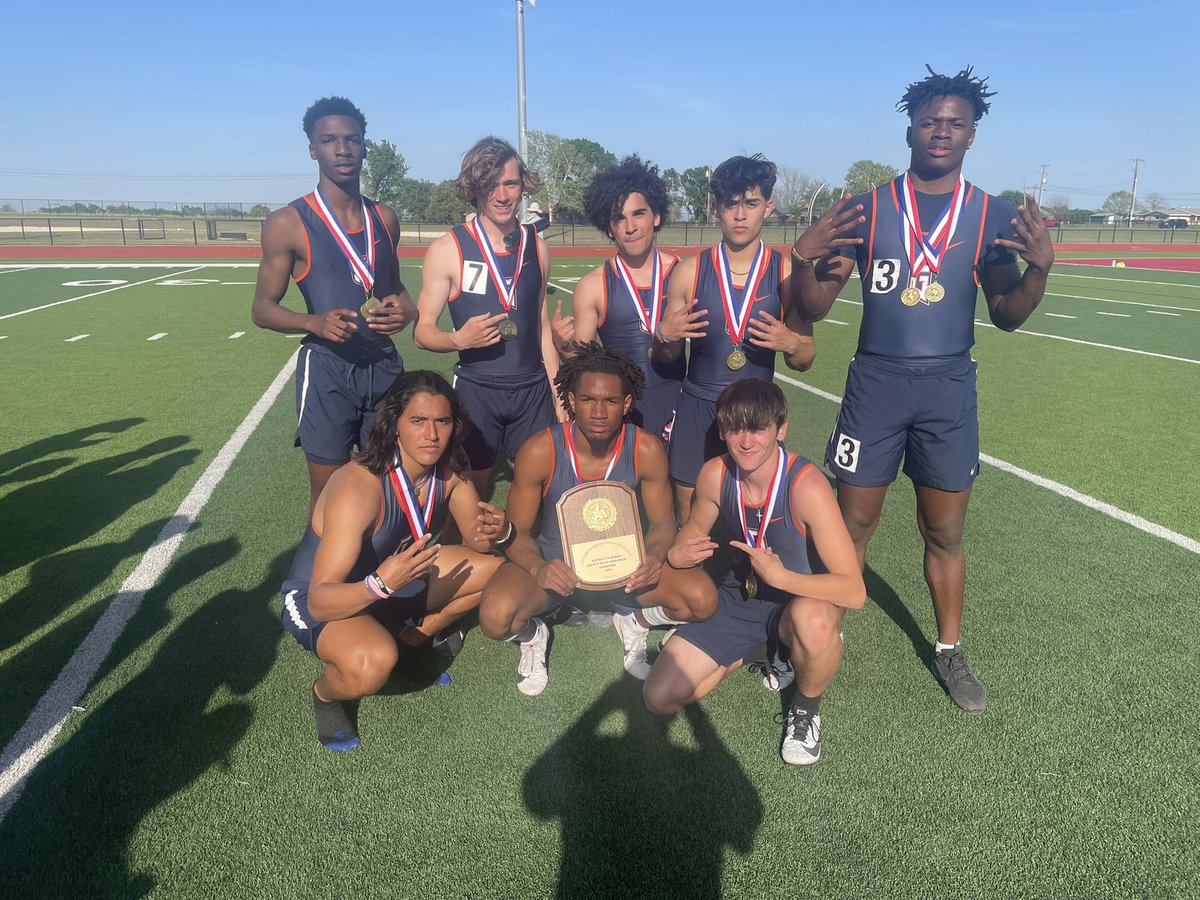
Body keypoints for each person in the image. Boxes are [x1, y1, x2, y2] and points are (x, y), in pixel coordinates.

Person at [789, 66, 1055, 713]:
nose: (942, 131)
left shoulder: (989, 214)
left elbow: (1006, 313)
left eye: (955, 123)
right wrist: (802, 257)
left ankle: (948, 650)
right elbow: (817, 306)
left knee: (944, 531)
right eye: (931, 120)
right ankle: (817, 635)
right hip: (876, 381)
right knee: (850, 525)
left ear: (972, 136)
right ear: (910, 127)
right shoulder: (870, 208)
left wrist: (1038, 272)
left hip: (946, 388)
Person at [279, 371, 513, 750]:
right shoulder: (358, 486)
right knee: (372, 663)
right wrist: (380, 584)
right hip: (321, 599)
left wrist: (495, 530)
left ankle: (410, 641)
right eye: (418, 421)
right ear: (394, 425)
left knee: (495, 573)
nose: (432, 435)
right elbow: (320, 601)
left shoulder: (450, 471)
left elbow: (479, 543)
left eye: (443, 421)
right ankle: (326, 695)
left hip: (392, 581)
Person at [642, 380, 864, 766]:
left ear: (781, 430)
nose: (745, 441)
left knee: (814, 622)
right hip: (740, 596)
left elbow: (854, 590)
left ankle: (806, 708)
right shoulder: (715, 474)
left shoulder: (806, 486)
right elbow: (692, 533)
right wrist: (679, 552)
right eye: (734, 428)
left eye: (757, 428)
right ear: (723, 430)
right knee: (659, 698)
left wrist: (783, 579)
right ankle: (758, 652)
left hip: (800, 600)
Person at [478, 343, 717, 696]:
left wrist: (653, 559)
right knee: (496, 617)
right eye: (588, 400)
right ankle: (535, 635)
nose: (599, 411)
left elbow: (665, 524)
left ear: (626, 404)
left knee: (702, 600)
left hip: (626, 571)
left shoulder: (645, 449)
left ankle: (633, 621)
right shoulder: (540, 450)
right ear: (571, 401)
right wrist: (538, 569)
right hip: (557, 568)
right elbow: (518, 533)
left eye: (610, 401)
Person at [251, 96, 417, 513]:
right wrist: (314, 322)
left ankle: (382, 575)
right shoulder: (288, 222)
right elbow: (262, 308)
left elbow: (395, 288)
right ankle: (317, 579)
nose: (342, 150)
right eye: (329, 140)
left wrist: (405, 312)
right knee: (330, 495)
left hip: (383, 365)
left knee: (388, 486)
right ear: (312, 148)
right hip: (327, 368)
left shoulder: (385, 217)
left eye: (352, 140)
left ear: (364, 146)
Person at [654, 155, 816, 519]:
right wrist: (664, 334)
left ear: (768, 207)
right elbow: (664, 355)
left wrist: (791, 343)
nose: (740, 216)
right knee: (690, 512)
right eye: (731, 205)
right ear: (717, 209)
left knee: (755, 513)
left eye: (751, 204)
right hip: (699, 406)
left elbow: (806, 357)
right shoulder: (689, 272)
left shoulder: (787, 273)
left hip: (757, 413)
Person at [414, 136, 561, 498]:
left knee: (541, 491)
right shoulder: (448, 250)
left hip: (532, 390)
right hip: (477, 390)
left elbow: (542, 329)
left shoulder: (537, 247)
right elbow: (422, 331)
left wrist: (560, 397)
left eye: (510, 183)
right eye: (490, 185)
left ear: (522, 185)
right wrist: (456, 340)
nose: (502, 195)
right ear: (474, 188)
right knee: (470, 498)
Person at [551, 156, 683, 444]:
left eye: (639, 214)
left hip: (681, 405)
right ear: (609, 228)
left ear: (656, 216)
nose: (630, 226)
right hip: (623, 410)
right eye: (619, 218)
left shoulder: (684, 274)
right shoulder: (592, 286)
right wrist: (563, 348)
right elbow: (582, 365)